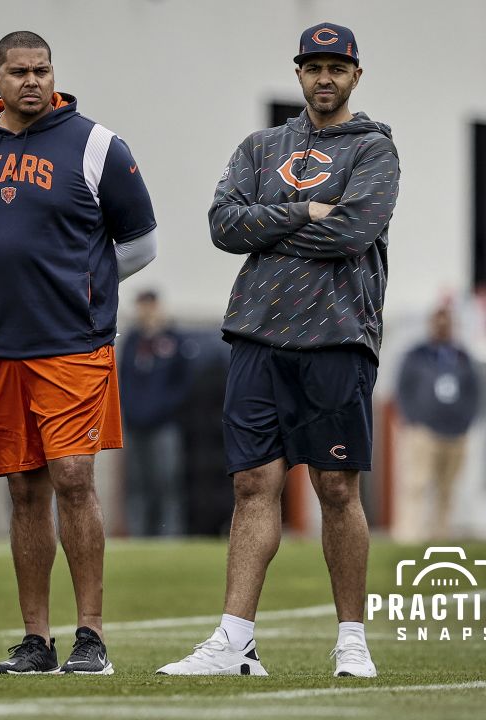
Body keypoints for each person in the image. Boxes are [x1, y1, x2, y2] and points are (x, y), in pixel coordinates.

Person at [157, 22, 399, 678]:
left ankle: (352, 639)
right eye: (313, 67)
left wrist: (269, 224)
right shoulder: (262, 146)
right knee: (251, 484)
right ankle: (235, 643)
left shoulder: (373, 149)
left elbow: (352, 232)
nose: (325, 78)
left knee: (337, 488)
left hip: (337, 336)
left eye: (337, 68)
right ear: (298, 73)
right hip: (258, 333)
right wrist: (302, 211)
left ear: (355, 75)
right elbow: (221, 225)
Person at [0, 31, 157, 675]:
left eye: (41, 70)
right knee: (24, 491)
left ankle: (91, 636)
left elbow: (141, 244)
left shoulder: (95, 145)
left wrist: (82, 284)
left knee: (72, 479)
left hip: (72, 345)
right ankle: (36, 639)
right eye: (18, 72)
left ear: (53, 73)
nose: (31, 81)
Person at [394, 306, 480, 541]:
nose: (442, 327)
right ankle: (410, 536)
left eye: (447, 322)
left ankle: (440, 534)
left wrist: (466, 421)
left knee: (447, 488)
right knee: (417, 484)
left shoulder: (462, 356)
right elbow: (402, 389)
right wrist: (412, 420)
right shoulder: (416, 355)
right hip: (423, 431)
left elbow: (474, 391)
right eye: (438, 322)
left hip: (455, 432)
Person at [119, 290, 193, 537]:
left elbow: (182, 385)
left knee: (166, 482)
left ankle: (169, 535)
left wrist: (162, 409)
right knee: (137, 484)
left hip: (164, 426)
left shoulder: (174, 341)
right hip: (134, 426)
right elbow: (123, 381)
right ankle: (138, 536)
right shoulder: (131, 341)